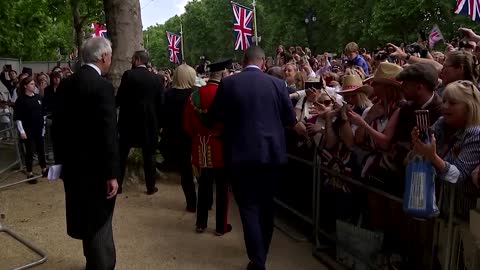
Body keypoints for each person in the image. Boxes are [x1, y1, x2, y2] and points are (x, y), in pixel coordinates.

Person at [208, 46, 296, 270]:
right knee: (267, 207)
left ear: (243, 60)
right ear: (263, 63)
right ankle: (261, 253)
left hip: (240, 154)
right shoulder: (277, 84)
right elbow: (289, 117)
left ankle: (258, 259)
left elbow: (214, 117)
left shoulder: (229, 83)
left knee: (248, 207)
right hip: (272, 155)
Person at [52, 37, 119, 270]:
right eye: (110, 56)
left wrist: (60, 163)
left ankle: (93, 262)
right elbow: (108, 133)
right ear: (103, 57)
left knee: (84, 216)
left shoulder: (65, 85)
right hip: (97, 170)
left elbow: (57, 128)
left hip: (73, 167)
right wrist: (112, 174)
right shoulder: (102, 86)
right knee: (100, 221)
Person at [183, 59, 232, 235]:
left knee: (203, 186)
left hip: (201, 146)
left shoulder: (194, 96)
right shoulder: (226, 94)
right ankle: (220, 226)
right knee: (222, 188)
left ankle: (200, 223)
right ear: (223, 74)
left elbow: (187, 126)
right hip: (220, 146)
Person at [116, 50, 164, 195]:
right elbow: (161, 104)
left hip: (128, 123)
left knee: (122, 155)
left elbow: (120, 99)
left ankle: (118, 185)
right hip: (149, 124)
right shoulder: (157, 79)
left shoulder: (128, 75)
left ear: (137, 60)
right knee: (149, 156)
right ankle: (150, 186)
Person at [13, 76, 48, 183]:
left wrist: (43, 127)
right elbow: (18, 117)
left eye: (34, 84)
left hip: (39, 128)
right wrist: (22, 131)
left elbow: (43, 114)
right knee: (30, 151)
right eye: (31, 84)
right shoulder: (21, 100)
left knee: (41, 149)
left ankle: (44, 169)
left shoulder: (38, 97)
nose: (34, 86)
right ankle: (29, 173)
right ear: (25, 86)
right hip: (28, 130)